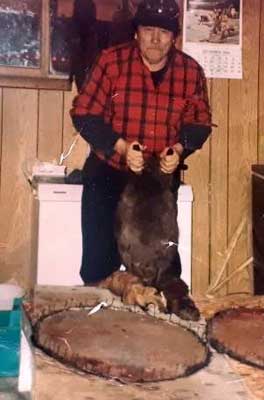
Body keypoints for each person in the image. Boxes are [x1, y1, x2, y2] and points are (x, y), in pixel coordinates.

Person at [70, 0, 212, 295]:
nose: (156, 39)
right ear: (136, 33)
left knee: (162, 268)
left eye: (164, 32)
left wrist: (179, 149)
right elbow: (83, 113)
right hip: (108, 174)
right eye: (148, 30)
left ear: (175, 37)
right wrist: (120, 146)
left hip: (158, 182)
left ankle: (162, 323)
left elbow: (199, 123)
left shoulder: (191, 71)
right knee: (99, 266)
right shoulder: (111, 61)